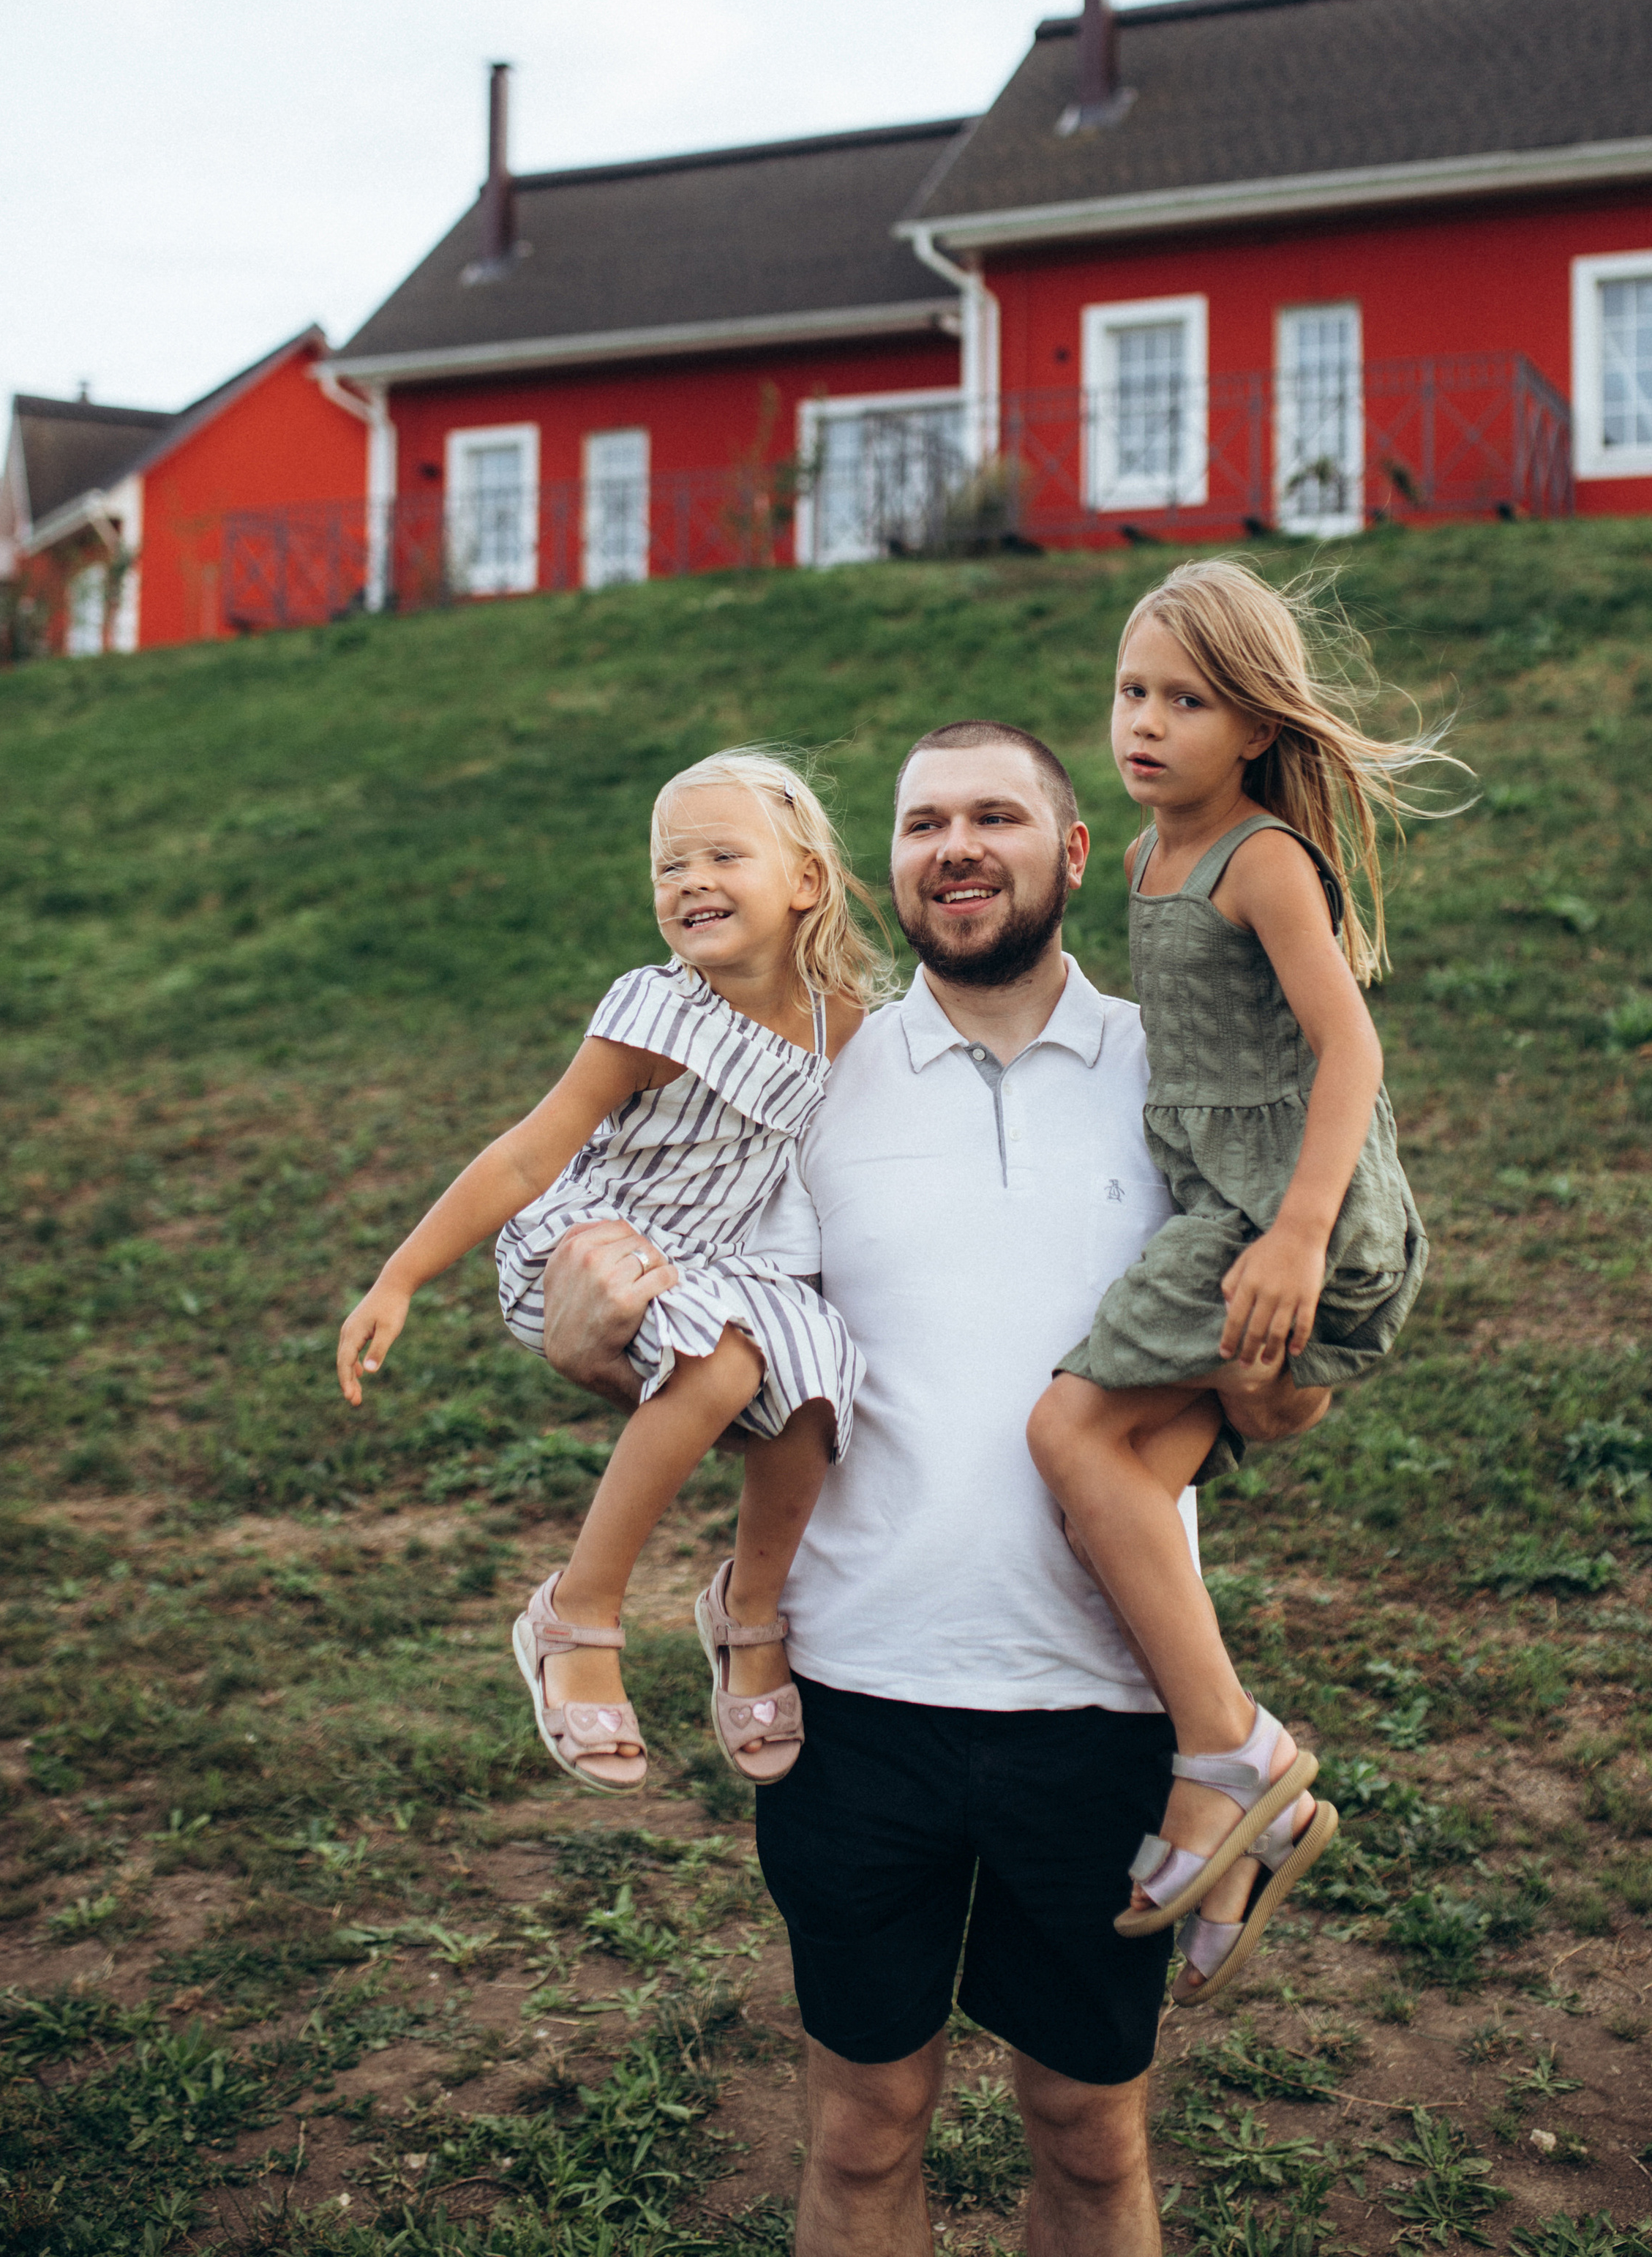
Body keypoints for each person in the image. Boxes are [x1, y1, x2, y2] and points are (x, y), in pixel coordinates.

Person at [538, 719, 1330, 2257]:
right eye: (921, 824)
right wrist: (588, 1339)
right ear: (884, 866)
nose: (955, 848)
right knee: (858, 2134)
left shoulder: (1181, 1078)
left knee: (1091, 2144)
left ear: (1072, 851)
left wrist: (1276, 1357)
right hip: (851, 1708)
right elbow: (711, 1347)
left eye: (994, 817)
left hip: (1102, 1713)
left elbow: (1284, 1406)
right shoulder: (811, 1083)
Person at [1029, 558, 1454, 2007]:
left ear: (1255, 724)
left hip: (1286, 1218)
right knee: (1125, 1472)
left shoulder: (1259, 859)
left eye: (1184, 700)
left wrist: (1293, 1234)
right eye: (1130, 691)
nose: (1143, 722)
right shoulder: (1148, 859)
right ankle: (1239, 1822)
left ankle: (1229, 1748)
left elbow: (1350, 1050)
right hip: (1222, 1204)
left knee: (1065, 1435)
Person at [334, 750, 889, 1793]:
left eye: (725, 855)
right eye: (669, 867)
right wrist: (401, 1277)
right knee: (724, 1363)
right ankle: (576, 1614)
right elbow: (527, 1155)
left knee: (823, 1369)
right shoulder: (655, 1013)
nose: (691, 881)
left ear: (805, 881)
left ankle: (750, 1609)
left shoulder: (843, 1028)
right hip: (592, 1243)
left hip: (721, 1266)